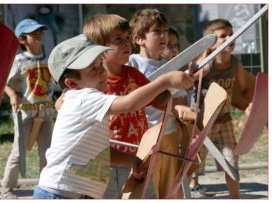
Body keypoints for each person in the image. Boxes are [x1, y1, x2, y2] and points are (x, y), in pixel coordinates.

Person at [32, 34, 194, 199]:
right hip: (59, 195)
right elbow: (129, 104)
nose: (102, 71)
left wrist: (130, 160)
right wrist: (165, 81)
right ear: (72, 84)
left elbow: (98, 152)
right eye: (93, 69)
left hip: (71, 194)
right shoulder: (84, 98)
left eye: (100, 63)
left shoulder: (82, 101)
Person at [83, 14, 181, 199]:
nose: (127, 43)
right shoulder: (92, 80)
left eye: (127, 38)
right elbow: (65, 102)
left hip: (138, 158)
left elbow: (160, 101)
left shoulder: (134, 75)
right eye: (118, 39)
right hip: (105, 161)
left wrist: (174, 89)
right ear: (98, 47)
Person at [128, 9, 190, 198]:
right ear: (139, 38)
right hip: (143, 136)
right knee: (146, 190)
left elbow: (179, 101)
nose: (164, 36)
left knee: (169, 189)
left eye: (166, 30)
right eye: (157, 31)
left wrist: (185, 112)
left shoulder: (170, 65)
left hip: (168, 134)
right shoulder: (132, 64)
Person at [190, 18, 252, 199]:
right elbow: (193, 77)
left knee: (231, 161)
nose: (229, 38)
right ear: (211, 41)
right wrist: (204, 54)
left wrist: (249, 106)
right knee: (194, 162)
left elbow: (244, 89)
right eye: (222, 36)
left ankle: (235, 197)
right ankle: (191, 188)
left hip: (225, 121)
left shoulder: (235, 63)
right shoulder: (206, 63)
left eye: (231, 34)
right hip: (203, 122)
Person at [0, 19, 54, 199]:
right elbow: (3, 83)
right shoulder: (18, 60)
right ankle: (6, 189)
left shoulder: (49, 58)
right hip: (25, 113)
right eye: (33, 32)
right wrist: (13, 95)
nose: (38, 33)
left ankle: (45, 186)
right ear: (22, 39)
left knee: (47, 152)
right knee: (18, 152)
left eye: (40, 30)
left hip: (45, 112)